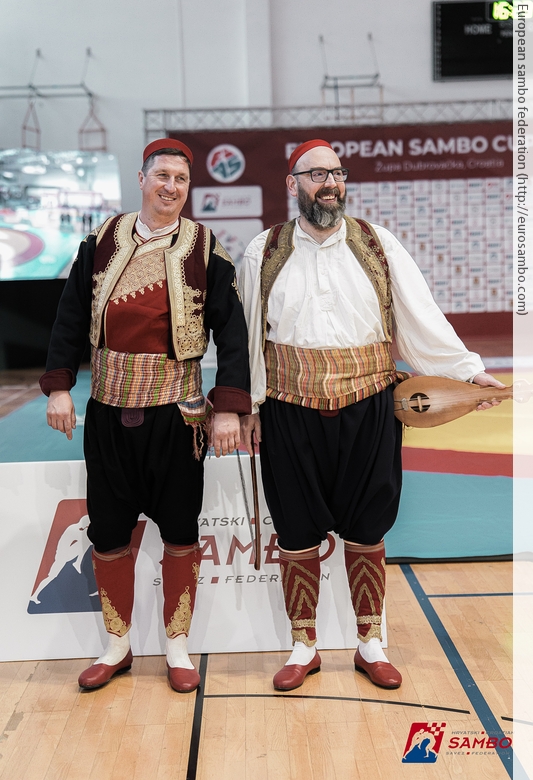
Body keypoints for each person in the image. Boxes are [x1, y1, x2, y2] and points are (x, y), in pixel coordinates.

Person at [239, 138, 503, 692]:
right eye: (316, 175)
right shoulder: (263, 250)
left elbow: (419, 315)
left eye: (336, 173)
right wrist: (248, 404)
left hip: (370, 403)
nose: (329, 183)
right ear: (293, 184)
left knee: (368, 524)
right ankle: (303, 646)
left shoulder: (378, 244)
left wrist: (467, 372)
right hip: (288, 406)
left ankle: (369, 643)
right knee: (295, 528)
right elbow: (245, 336)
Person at [40, 138, 251, 692]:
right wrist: (58, 387)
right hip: (108, 413)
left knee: (180, 531)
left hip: (177, 417)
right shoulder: (100, 241)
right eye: (162, 176)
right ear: (141, 179)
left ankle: (178, 647)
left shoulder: (206, 249)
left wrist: (229, 407)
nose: (170, 187)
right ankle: (117, 646)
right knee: (109, 533)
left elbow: (232, 333)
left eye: (180, 179)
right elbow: (69, 316)